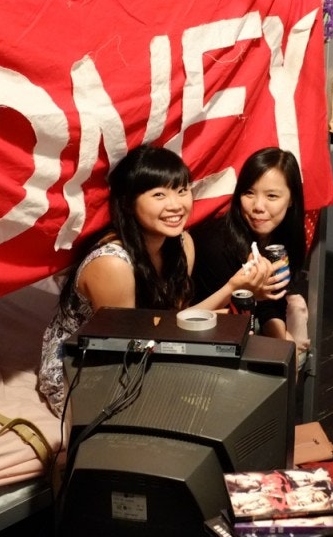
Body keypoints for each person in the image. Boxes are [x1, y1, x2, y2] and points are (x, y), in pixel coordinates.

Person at [37, 144, 268, 414]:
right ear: (128, 203)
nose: (176, 205)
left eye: (182, 191)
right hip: (85, 365)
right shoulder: (113, 264)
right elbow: (127, 348)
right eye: (159, 194)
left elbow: (172, 322)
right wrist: (228, 292)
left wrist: (233, 289)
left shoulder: (182, 243)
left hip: (145, 345)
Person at [190, 147, 309, 354]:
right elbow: (217, 317)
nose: (258, 206)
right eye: (249, 193)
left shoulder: (284, 238)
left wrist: (281, 342)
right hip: (208, 338)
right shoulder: (214, 243)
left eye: (272, 196)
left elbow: (274, 300)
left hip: (252, 328)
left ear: (291, 199)